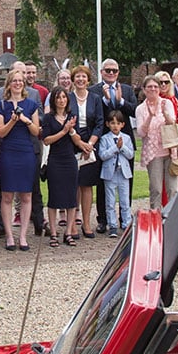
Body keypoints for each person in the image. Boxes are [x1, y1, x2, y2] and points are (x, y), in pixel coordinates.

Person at [0, 69, 41, 251]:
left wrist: (25, 120)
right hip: (8, 152)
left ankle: (23, 236)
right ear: (9, 84)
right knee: (7, 195)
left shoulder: (31, 105)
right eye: (14, 81)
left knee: (26, 194)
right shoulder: (2, 106)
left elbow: (37, 131)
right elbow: (1, 132)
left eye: (20, 80)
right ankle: (9, 236)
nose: (18, 83)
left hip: (26, 152)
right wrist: (13, 121)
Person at [92, 59, 137, 233]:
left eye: (114, 71)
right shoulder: (94, 91)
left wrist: (120, 101)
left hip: (124, 141)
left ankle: (124, 219)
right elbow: (95, 115)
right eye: (108, 70)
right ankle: (103, 219)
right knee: (103, 183)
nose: (111, 73)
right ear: (102, 71)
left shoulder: (126, 89)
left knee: (127, 182)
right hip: (104, 141)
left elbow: (134, 110)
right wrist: (106, 100)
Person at [66, 65, 104, 241]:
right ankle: (72, 223)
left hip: (90, 145)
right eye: (77, 77)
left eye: (84, 77)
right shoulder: (67, 98)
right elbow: (64, 120)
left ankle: (87, 223)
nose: (80, 79)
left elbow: (99, 122)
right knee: (73, 185)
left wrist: (89, 144)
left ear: (88, 80)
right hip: (71, 144)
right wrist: (78, 142)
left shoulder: (95, 99)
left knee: (87, 185)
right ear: (73, 80)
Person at [40, 87, 80, 247]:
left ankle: (69, 232)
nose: (61, 100)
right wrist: (64, 131)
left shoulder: (71, 116)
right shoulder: (48, 118)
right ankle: (54, 233)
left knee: (71, 197)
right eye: (58, 98)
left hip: (69, 159)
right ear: (54, 100)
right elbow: (47, 140)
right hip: (55, 160)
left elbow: (76, 138)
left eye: (64, 97)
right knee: (54, 197)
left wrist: (71, 132)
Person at [134, 74, 178, 210]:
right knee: (156, 189)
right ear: (144, 89)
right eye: (149, 87)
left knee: (172, 189)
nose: (153, 89)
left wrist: (165, 114)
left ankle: (172, 218)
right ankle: (156, 218)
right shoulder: (140, 109)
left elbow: (173, 123)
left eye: (155, 86)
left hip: (170, 150)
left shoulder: (168, 103)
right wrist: (150, 116)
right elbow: (141, 133)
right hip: (153, 153)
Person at [97, 110, 135, 238]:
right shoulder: (105, 139)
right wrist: (115, 148)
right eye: (112, 123)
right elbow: (102, 155)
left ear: (122, 125)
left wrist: (122, 147)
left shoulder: (127, 138)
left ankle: (126, 223)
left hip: (123, 173)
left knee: (125, 200)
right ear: (108, 124)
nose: (115, 126)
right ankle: (112, 225)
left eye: (118, 123)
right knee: (110, 201)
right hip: (110, 174)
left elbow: (130, 154)